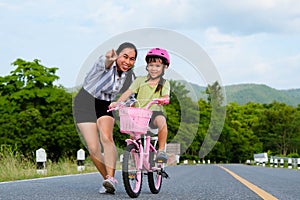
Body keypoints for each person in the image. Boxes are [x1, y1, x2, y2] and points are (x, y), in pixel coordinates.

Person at [73, 42, 137, 194]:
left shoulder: (130, 77)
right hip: (85, 102)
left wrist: (132, 126)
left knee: (107, 138)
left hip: (105, 105)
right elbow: (104, 63)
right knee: (93, 148)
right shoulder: (107, 64)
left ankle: (111, 178)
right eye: (125, 57)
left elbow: (130, 100)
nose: (127, 62)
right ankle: (108, 179)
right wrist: (109, 59)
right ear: (118, 55)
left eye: (132, 59)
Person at [110, 47, 170, 163]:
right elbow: (128, 92)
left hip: (154, 113)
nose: (154, 68)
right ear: (147, 66)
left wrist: (164, 99)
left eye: (157, 66)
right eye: (151, 65)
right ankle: (134, 164)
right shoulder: (140, 81)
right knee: (133, 137)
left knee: (161, 121)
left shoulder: (164, 83)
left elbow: (166, 96)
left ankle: (161, 150)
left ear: (165, 67)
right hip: (140, 114)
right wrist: (118, 103)